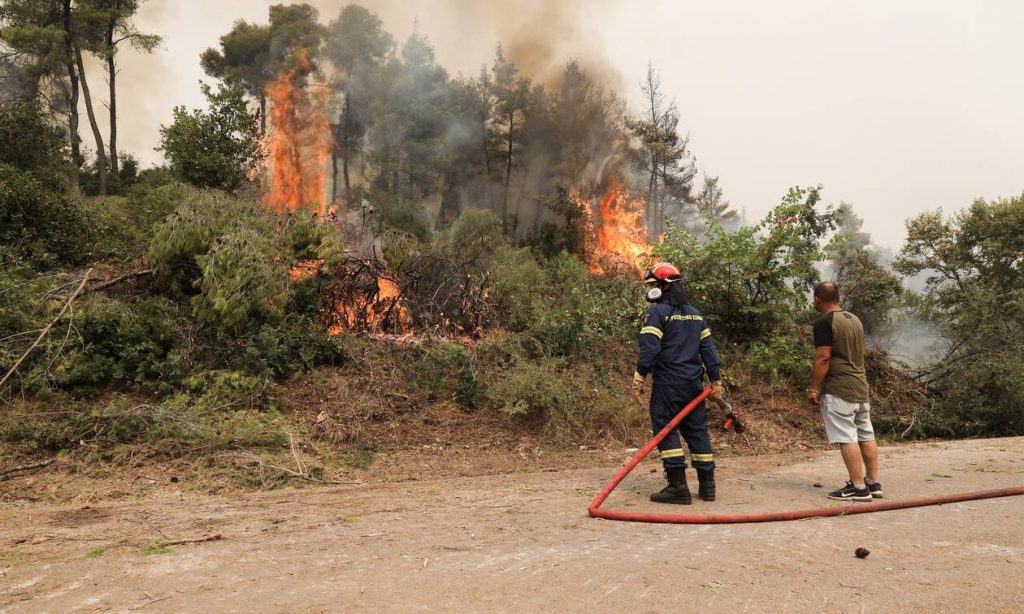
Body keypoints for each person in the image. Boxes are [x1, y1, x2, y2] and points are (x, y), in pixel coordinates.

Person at [632, 262, 724, 504]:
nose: (650, 289)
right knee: (697, 430)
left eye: (653, 284)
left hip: (668, 385)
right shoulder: (696, 314)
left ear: (665, 286)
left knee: (665, 429)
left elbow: (650, 347)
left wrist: (640, 374)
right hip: (693, 386)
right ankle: (708, 486)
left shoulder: (657, 313)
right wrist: (715, 379)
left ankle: (678, 487)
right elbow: (709, 350)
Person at [808, 281, 882, 502]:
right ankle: (872, 483)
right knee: (866, 434)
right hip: (860, 386)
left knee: (847, 437)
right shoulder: (854, 320)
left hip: (839, 389)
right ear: (838, 297)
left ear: (818, 299)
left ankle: (858, 488)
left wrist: (814, 388)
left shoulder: (824, 322)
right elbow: (863, 352)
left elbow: (823, 357)